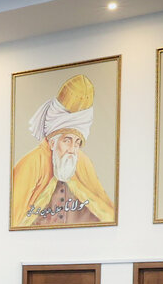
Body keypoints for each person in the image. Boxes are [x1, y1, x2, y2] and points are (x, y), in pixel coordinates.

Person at [11, 73, 114, 227]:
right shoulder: (32, 164)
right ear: (52, 142)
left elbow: (105, 212)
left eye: (77, 142)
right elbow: (12, 219)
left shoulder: (82, 163)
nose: (72, 150)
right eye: (67, 140)